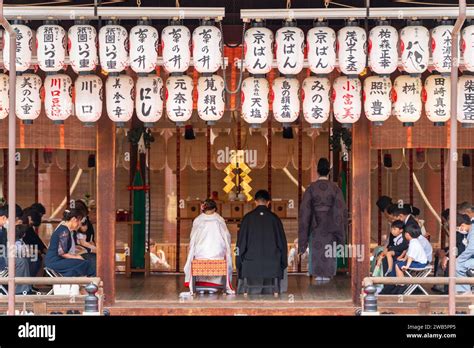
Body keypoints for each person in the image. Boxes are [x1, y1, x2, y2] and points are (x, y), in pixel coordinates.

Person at [298, 158, 347, 281]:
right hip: (331, 230)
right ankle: (328, 282)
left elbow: (304, 213)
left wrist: (303, 242)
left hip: (316, 230)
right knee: (329, 256)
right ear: (329, 172)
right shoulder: (335, 189)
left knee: (317, 256)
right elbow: (340, 212)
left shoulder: (311, 189)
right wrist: (340, 236)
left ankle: (318, 281)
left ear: (317, 171)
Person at [236, 190, 288, 294]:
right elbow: (282, 244)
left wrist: (238, 263)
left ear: (255, 201)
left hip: (250, 263)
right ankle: (275, 290)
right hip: (273, 263)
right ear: (268, 202)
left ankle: (248, 291)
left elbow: (240, 244)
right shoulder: (275, 219)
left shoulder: (247, 218)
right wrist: (283, 263)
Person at [182, 199, 234, 295]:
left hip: (201, 253)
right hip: (216, 254)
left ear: (203, 208)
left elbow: (193, 237)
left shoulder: (198, 220)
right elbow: (227, 237)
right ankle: (213, 286)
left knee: (196, 253)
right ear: (214, 209)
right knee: (223, 254)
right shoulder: (219, 220)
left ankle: (200, 287)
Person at [45, 209, 95, 277]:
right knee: (85, 264)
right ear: (74, 219)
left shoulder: (65, 230)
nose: (80, 224)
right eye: (79, 221)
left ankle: (69, 284)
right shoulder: (64, 231)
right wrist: (78, 257)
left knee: (75, 268)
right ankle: (91, 285)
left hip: (55, 260)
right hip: (55, 261)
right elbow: (63, 253)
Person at [21, 207, 47, 277]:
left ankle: (29, 284)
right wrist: (36, 250)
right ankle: (27, 284)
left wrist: (43, 249)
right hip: (21, 253)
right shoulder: (22, 226)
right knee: (35, 261)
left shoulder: (28, 227)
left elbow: (37, 240)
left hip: (27, 252)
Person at [456, 213, 474, 294]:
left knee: (457, 265)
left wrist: (459, 259)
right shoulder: (470, 231)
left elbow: (471, 249)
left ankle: (463, 291)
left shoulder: (472, 232)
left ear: (462, 225)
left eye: (458, 228)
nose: (459, 230)